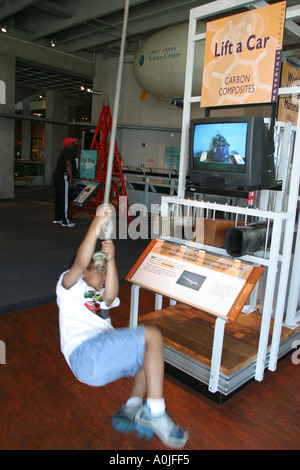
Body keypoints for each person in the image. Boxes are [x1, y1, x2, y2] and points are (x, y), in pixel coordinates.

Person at [56, 205, 189, 449]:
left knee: (149, 363)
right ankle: (156, 413)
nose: (104, 277)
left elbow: (111, 295)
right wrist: (97, 223)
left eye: (105, 273)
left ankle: (132, 409)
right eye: (99, 271)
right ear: (83, 273)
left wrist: (111, 260)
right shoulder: (69, 287)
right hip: (84, 353)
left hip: (93, 366)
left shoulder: (97, 296)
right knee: (151, 335)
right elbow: (81, 260)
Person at [53, 137, 78, 228]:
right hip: (63, 176)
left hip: (57, 175)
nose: (73, 144)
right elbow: (68, 164)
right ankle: (65, 221)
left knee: (59, 197)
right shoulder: (68, 151)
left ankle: (58, 218)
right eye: (72, 143)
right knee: (65, 198)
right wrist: (70, 177)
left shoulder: (63, 152)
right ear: (68, 144)